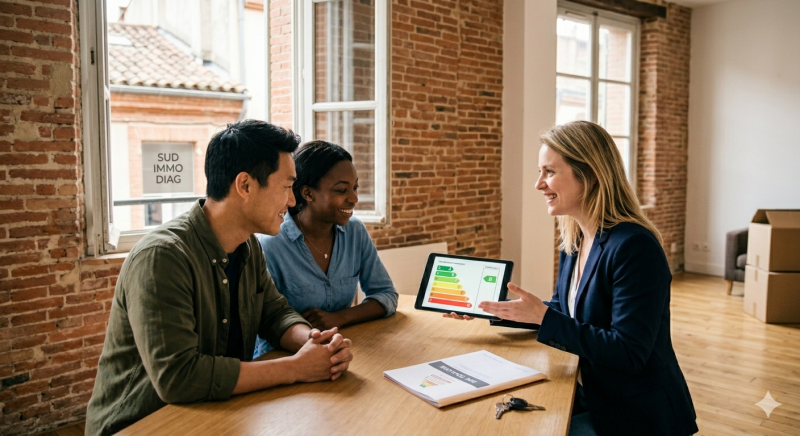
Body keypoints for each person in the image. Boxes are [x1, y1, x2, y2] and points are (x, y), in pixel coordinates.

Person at [86, 121, 353, 436]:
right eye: (285, 187)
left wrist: (313, 344)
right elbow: (179, 378)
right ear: (245, 185)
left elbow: (274, 312)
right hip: (140, 424)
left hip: (216, 412)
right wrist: (296, 368)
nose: (292, 201)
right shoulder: (162, 256)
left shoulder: (247, 244)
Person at [446, 121, 698, 436]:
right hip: (590, 394)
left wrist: (545, 317)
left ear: (590, 175)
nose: (539, 184)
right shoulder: (575, 238)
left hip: (634, 415)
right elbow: (569, 311)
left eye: (549, 172)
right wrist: (490, 309)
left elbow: (628, 353)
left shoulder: (635, 247)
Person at [254, 140, 397, 358]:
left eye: (355, 187)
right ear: (308, 194)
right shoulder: (271, 244)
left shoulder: (355, 232)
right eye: (342, 190)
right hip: (283, 357)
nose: (354, 199)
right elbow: (266, 322)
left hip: (340, 348)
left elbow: (386, 295)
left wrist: (340, 318)